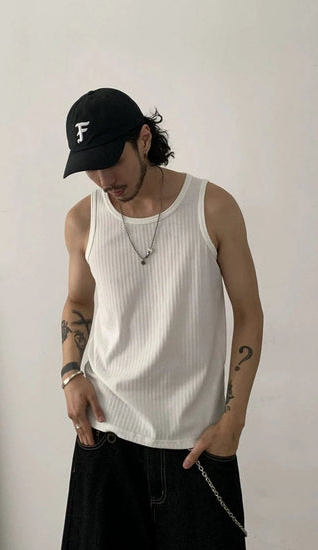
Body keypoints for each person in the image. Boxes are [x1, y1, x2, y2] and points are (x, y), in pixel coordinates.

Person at [59, 87, 264, 550]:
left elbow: (249, 314)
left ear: (144, 139)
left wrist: (233, 422)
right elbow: (78, 302)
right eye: (90, 166)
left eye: (112, 160)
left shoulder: (213, 208)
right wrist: (70, 374)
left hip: (196, 446)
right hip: (106, 438)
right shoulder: (83, 220)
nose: (103, 178)